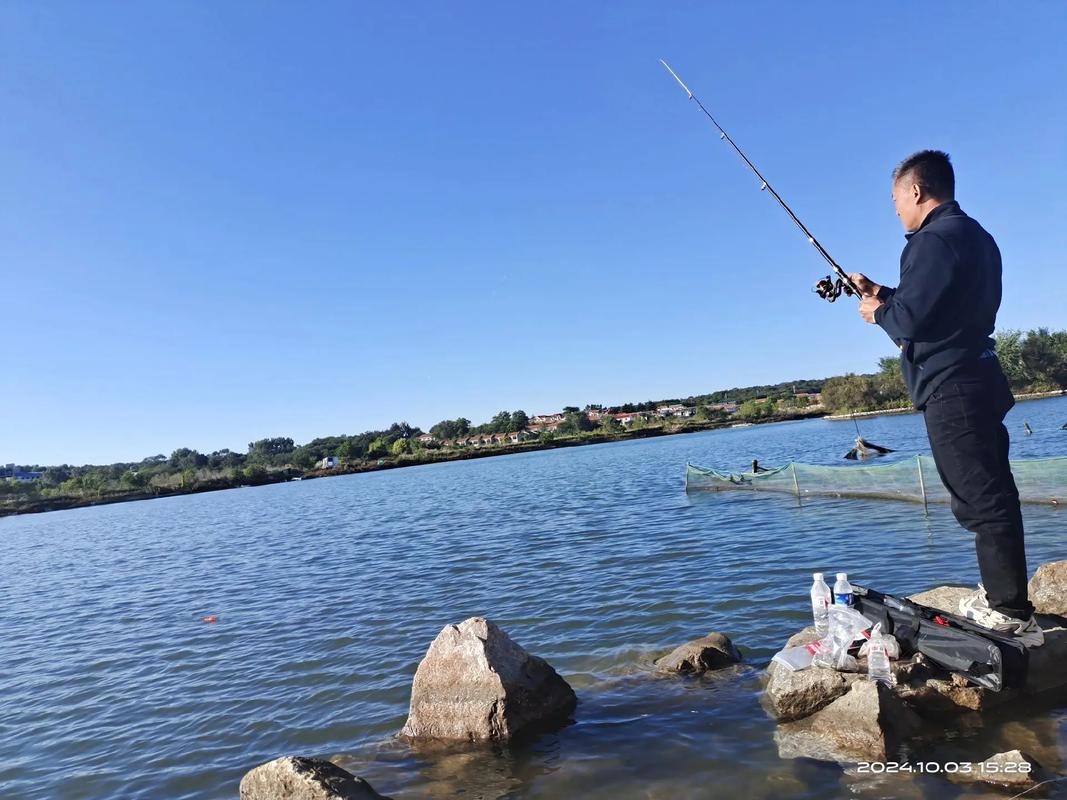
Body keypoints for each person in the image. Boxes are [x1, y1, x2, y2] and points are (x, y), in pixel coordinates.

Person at [849, 150, 1043, 647]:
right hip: (977, 377)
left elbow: (912, 320)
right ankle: (1005, 594)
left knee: (983, 501)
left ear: (915, 191)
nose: (894, 209)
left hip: (952, 386)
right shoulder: (974, 235)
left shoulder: (929, 240)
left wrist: (878, 311)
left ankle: (1009, 609)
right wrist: (886, 292)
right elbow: (939, 307)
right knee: (988, 493)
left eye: (895, 199)